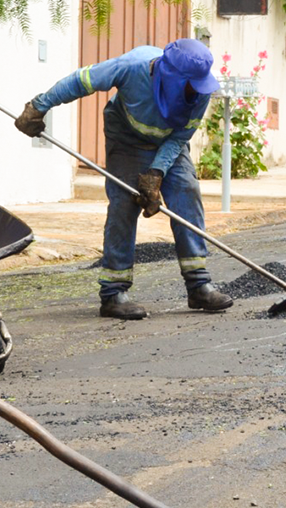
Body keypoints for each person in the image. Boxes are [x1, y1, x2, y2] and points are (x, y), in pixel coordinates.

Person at [13, 39, 235, 320]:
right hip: (126, 137)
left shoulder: (201, 90)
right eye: (190, 84)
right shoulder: (131, 68)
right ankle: (113, 293)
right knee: (123, 204)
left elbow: (180, 137)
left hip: (169, 143)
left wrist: (156, 173)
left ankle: (199, 285)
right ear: (170, 76)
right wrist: (39, 106)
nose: (196, 89)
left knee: (186, 191)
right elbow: (80, 81)